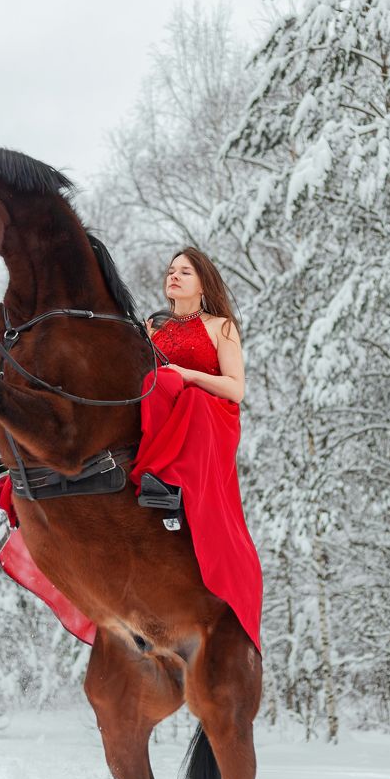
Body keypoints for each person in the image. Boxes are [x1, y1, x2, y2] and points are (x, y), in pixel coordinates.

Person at [129, 247, 263, 653]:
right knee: (157, 384)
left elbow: (236, 388)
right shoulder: (153, 328)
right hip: (166, 412)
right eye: (171, 271)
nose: (174, 276)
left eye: (185, 271)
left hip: (212, 418)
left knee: (179, 390)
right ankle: (154, 476)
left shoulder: (220, 327)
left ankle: (163, 480)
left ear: (203, 283)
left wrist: (188, 375)